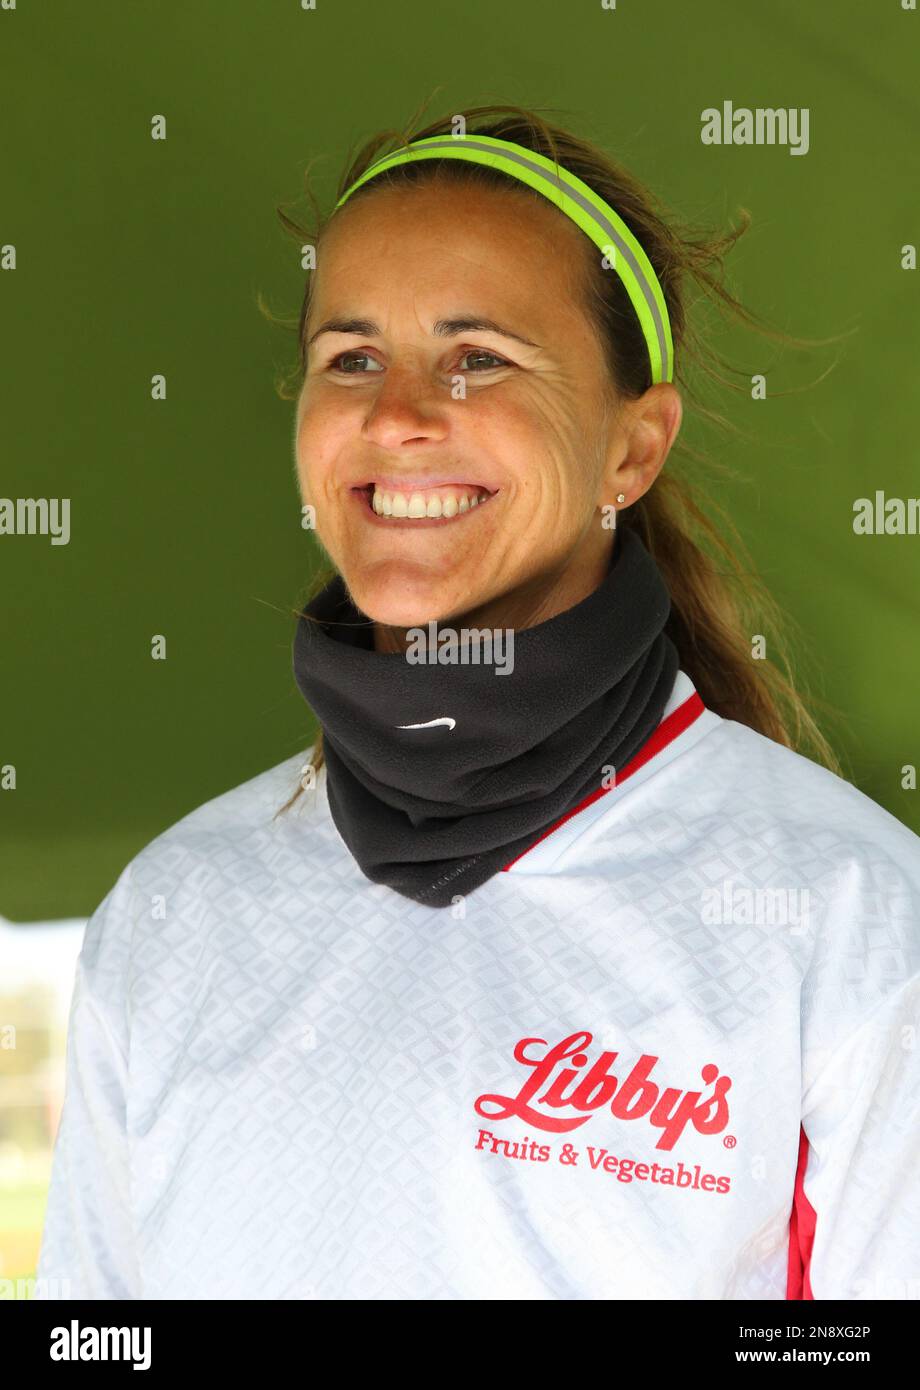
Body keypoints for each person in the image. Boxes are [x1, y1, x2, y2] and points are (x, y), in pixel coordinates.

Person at [35, 103, 920, 1301]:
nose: (396, 414)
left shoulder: (847, 910)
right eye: (350, 357)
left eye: (478, 358)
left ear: (630, 449)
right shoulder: (175, 908)